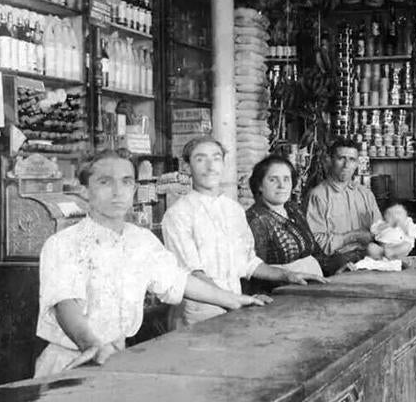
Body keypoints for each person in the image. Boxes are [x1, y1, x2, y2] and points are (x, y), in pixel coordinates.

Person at [34, 149, 267, 377]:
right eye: (105, 182)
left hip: (117, 358)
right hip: (71, 363)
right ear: (84, 191)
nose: (118, 192)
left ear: (134, 189)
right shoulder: (63, 243)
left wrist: (234, 300)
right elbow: (65, 304)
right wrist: (91, 345)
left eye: (126, 182)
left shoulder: (141, 240)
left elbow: (178, 281)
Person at [162, 137, 327, 326]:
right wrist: (234, 300)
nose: (210, 166)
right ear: (186, 168)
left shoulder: (233, 209)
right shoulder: (178, 214)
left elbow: (248, 264)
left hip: (233, 305)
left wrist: (287, 276)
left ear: (223, 164)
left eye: (216, 158)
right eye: (200, 159)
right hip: (198, 312)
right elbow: (193, 275)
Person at [245, 155, 325, 291]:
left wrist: (337, 267)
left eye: (286, 179)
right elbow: (254, 271)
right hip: (283, 293)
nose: (281, 185)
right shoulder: (257, 219)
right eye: (273, 180)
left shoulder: (293, 209)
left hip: (310, 287)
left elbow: (314, 250)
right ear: (259, 185)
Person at [306, 138, 382, 270]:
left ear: (357, 163)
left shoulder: (366, 194)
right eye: (341, 158)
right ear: (330, 160)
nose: (346, 165)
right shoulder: (318, 196)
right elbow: (315, 242)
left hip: (368, 257)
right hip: (334, 261)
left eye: (352, 160)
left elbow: (380, 229)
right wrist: (354, 236)